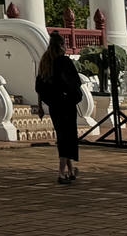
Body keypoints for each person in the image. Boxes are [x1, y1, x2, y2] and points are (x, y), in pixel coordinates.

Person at [35, 30, 84, 186]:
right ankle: (61, 172)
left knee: (63, 136)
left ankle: (70, 170)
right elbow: (74, 82)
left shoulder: (45, 62)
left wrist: (43, 104)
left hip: (54, 106)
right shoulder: (64, 62)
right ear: (61, 45)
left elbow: (39, 86)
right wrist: (73, 96)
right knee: (67, 138)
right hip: (66, 104)